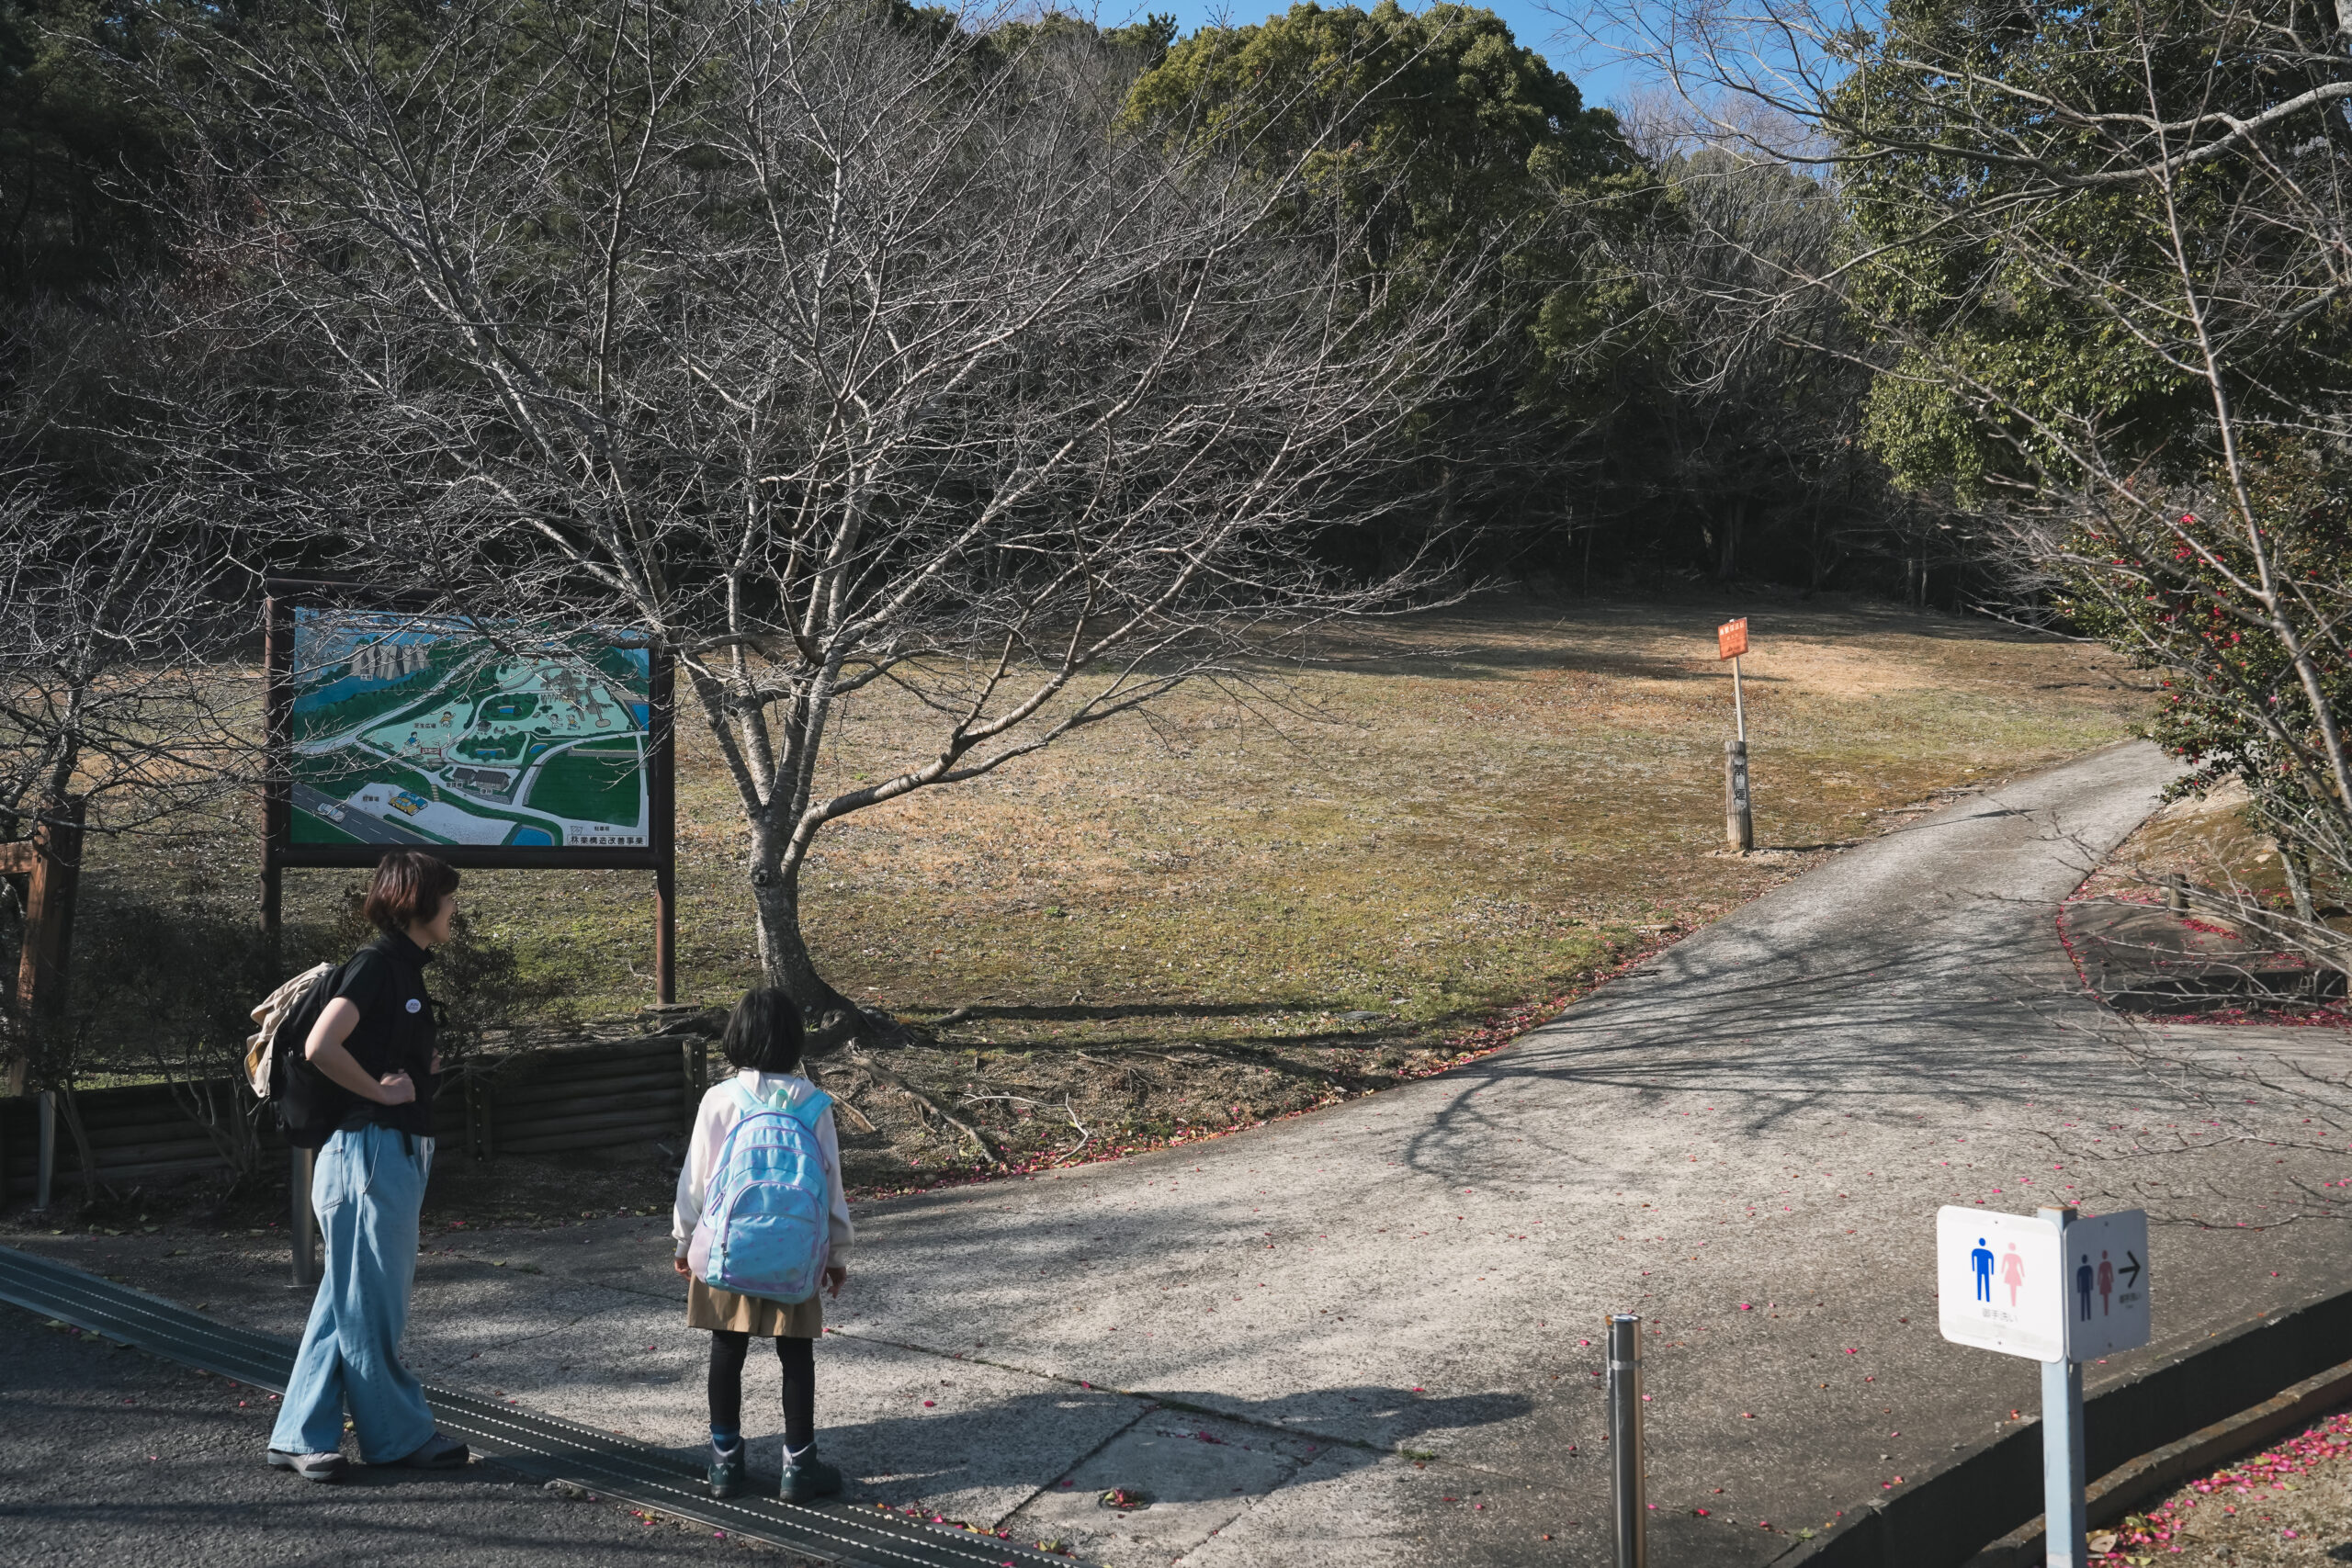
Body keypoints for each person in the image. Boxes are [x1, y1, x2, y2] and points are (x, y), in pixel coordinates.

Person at [266, 849, 470, 1483]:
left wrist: (414, 1073)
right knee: (371, 1307)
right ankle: (397, 1435)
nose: (455, 908)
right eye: (449, 896)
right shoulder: (377, 964)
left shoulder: (405, 970)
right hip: (367, 1153)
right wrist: (381, 1092)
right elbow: (320, 1043)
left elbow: (370, 1046)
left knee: (348, 1300)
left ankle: (300, 1433)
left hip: (385, 1153)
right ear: (420, 901)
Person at [673, 988, 853, 1502]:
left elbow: (696, 1181)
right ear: (794, 1040)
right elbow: (831, 1184)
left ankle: (725, 1464)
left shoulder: (720, 1098)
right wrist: (836, 1254)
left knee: (727, 1348)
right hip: (796, 1251)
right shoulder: (814, 1103)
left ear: (737, 1038)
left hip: (729, 1248)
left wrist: (685, 1241)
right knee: (796, 1355)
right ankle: (799, 1468)